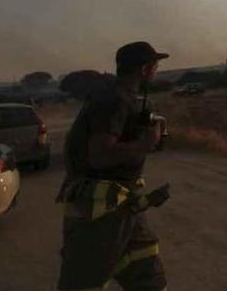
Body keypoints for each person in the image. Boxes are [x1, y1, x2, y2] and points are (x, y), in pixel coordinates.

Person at [56, 41, 171, 291]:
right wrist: (145, 144)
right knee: (83, 284)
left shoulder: (121, 96)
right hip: (100, 215)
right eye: (155, 65)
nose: (157, 69)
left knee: (149, 279)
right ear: (143, 69)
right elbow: (99, 155)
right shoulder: (114, 99)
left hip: (123, 208)